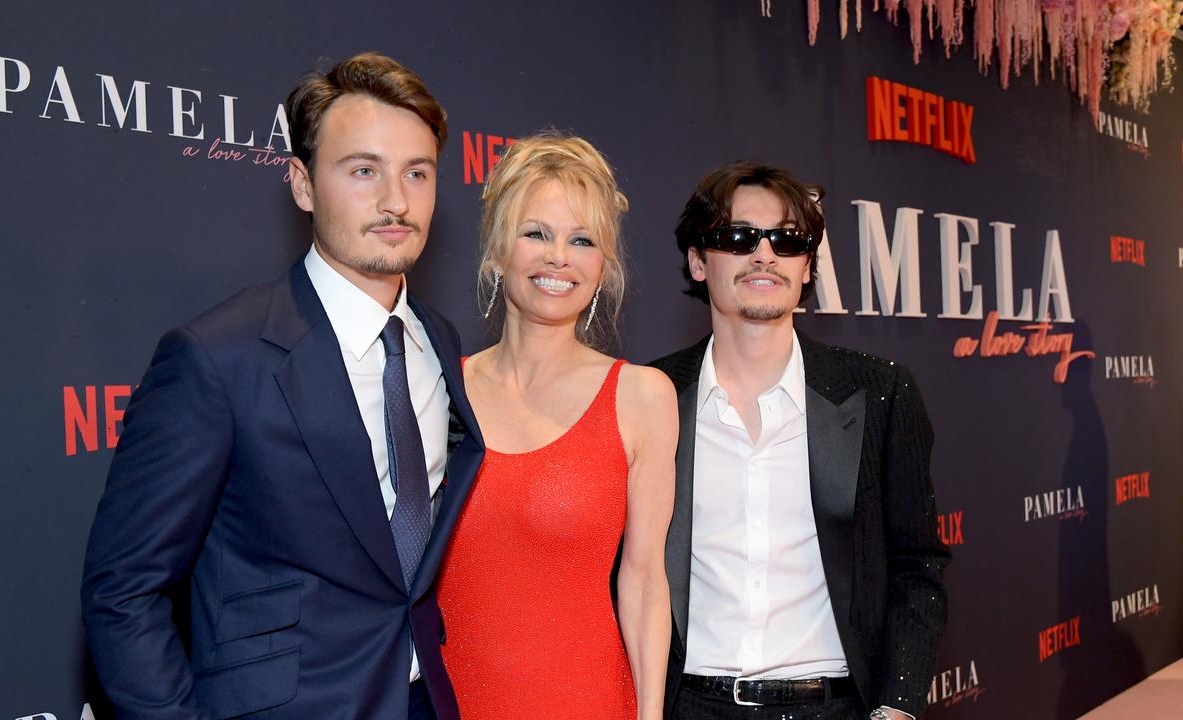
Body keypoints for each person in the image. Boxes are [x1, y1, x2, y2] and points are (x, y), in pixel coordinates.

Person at [80, 53, 484, 720]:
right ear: (301, 184)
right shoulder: (218, 358)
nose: (395, 201)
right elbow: (123, 591)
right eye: (363, 171)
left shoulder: (437, 339)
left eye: (418, 173)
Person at [651, 163, 950, 720]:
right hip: (691, 706)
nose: (765, 255)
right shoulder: (651, 396)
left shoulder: (880, 392)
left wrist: (897, 708)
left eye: (787, 240)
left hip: (836, 707)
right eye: (738, 237)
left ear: (807, 264)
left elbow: (917, 567)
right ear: (698, 259)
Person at [436, 134, 676, 719]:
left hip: (590, 700)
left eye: (582, 240)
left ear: (603, 266)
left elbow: (644, 581)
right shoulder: (437, 387)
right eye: (536, 233)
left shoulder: (641, 396)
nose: (558, 258)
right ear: (497, 251)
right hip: (448, 700)